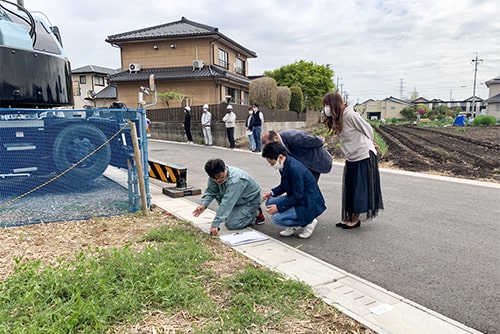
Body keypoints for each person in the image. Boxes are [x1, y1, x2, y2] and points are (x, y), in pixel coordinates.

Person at [321, 92, 383, 229]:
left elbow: (368, 129)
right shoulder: (339, 118)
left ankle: (355, 219)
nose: (325, 108)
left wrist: (369, 142)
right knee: (349, 187)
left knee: (358, 189)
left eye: (327, 105)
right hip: (352, 156)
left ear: (334, 104)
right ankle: (348, 216)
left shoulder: (350, 115)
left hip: (363, 155)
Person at [261, 142, 326, 239]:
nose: (271, 165)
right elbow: (284, 185)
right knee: (270, 201)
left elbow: (298, 196)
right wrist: (271, 192)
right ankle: (295, 223)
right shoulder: (284, 165)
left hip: (307, 202)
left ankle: (309, 222)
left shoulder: (294, 169)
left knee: (277, 218)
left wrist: (279, 207)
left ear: (281, 157)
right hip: (299, 198)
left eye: (272, 163)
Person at [193, 158, 265, 236]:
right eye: (215, 179)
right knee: (219, 198)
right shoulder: (214, 176)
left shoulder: (236, 180)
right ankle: (236, 213)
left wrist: (215, 224)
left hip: (249, 201)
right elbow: (211, 191)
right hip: (236, 199)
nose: (218, 180)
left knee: (232, 224)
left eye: (220, 176)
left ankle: (255, 212)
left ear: (224, 169)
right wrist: (204, 204)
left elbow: (227, 202)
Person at [262, 129, 332, 181]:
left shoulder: (293, 136)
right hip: (303, 165)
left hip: (315, 161)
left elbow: (314, 141)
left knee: (308, 189)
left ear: (276, 138)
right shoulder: (278, 147)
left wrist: (321, 140)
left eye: (270, 145)